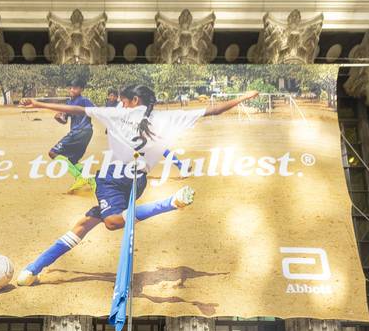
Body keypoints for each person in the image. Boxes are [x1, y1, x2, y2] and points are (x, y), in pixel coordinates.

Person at [17, 85, 258, 286]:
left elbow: (76, 109)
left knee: (112, 222)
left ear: (134, 100)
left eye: (122, 100)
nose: (119, 104)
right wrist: (244, 97)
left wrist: (40, 103)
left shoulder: (116, 114)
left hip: (112, 178)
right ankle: (34, 268)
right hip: (137, 181)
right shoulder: (166, 117)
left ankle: (169, 203)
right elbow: (214, 110)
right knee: (84, 224)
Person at [47, 79, 95, 191]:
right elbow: (64, 121)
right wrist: (59, 118)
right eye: (71, 87)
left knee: (53, 153)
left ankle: (79, 177)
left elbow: (95, 111)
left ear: (81, 89)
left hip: (80, 131)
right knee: (72, 161)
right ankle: (91, 180)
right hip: (84, 133)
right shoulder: (69, 103)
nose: (72, 90)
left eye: (76, 88)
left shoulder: (84, 101)